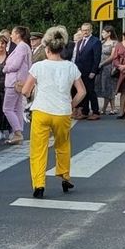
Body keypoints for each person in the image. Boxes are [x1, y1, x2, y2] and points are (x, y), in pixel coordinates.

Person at [19, 27, 86, 199]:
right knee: (62, 145)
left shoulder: (38, 66)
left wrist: (24, 90)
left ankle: (39, 184)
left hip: (42, 110)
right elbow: (82, 91)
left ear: (47, 49)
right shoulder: (71, 67)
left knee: (38, 149)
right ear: (61, 49)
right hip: (62, 111)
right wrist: (71, 104)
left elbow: (26, 91)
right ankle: (64, 176)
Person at [2, 25, 31, 145]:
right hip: (20, 81)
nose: (11, 35)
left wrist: (5, 68)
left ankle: (17, 132)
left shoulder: (21, 47)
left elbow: (16, 65)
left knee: (7, 108)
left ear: (18, 34)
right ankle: (18, 132)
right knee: (17, 108)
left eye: (13, 33)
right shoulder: (24, 47)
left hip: (14, 81)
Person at [73, 23, 102, 120]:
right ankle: (85, 111)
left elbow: (97, 58)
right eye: (83, 30)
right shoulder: (79, 41)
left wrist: (93, 71)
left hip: (89, 71)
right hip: (79, 71)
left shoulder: (96, 41)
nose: (85, 32)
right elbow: (77, 57)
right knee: (82, 91)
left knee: (90, 91)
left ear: (91, 30)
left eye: (87, 30)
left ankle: (95, 111)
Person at [96, 25, 118, 115]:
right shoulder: (101, 43)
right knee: (103, 87)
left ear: (109, 33)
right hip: (100, 67)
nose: (102, 34)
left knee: (109, 87)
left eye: (104, 32)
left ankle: (106, 108)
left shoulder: (114, 43)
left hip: (108, 66)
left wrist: (102, 63)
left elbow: (112, 56)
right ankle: (111, 108)